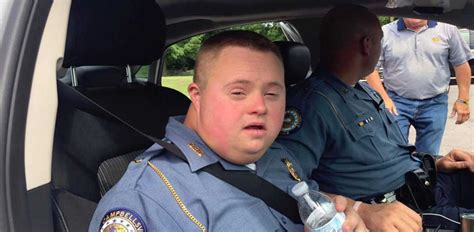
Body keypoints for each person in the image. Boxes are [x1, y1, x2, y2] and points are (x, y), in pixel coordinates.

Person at [89, 31, 366, 232]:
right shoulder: (148, 201)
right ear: (197, 97)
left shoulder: (277, 155)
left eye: (272, 93)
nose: (259, 106)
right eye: (238, 92)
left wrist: (353, 212)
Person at [277, 5, 474, 232]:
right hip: (402, 211)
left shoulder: (364, 91)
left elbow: (392, 152)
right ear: (367, 44)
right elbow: (286, 183)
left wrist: (436, 163)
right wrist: (359, 210)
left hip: (429, 183)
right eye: (381, 41)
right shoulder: (311, 105)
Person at [366, 18, 472, 156]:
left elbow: (461, 64)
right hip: (396, 102)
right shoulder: (385, 33)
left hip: (435, 103)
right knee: (394, 152)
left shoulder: (448, 29)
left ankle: (424, 177)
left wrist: (463, 99)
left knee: (429, 156)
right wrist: (383, 98)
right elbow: (370, 69)